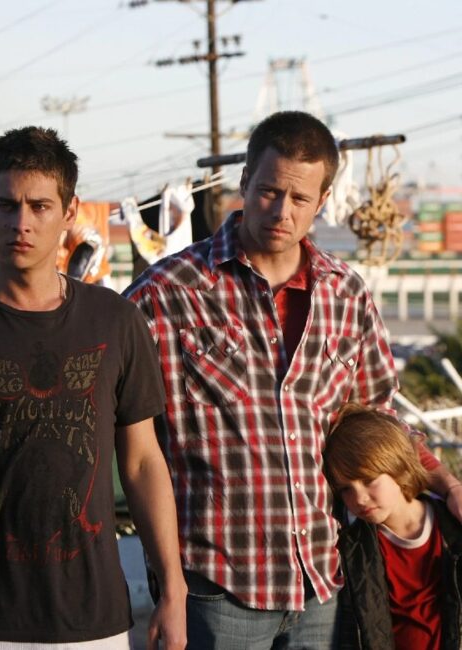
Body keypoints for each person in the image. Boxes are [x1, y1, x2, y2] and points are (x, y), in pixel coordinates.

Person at [124, 110, 462, 650]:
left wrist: (448, 485)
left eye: (300, 198)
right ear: (244, 182)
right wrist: (169, 584)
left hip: (323, 583)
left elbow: (383, 424)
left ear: (322, 201)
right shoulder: (165, 294)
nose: (282, 211)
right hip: (216, 589)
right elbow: (128, 439)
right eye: (269, 191)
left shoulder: (346, 294)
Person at [0, 126, 187, 650]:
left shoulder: (115, 321)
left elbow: (142, 462)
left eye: (40, 206)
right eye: (6, 205)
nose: (22, 223)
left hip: (92, 617)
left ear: (69, 211)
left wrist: (173, 589)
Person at [323, 403, 462, 650]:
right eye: (345, 489)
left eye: (369, 480)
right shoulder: (355, 548)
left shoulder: (453, 528)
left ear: (399, 466)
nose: (360, 498)